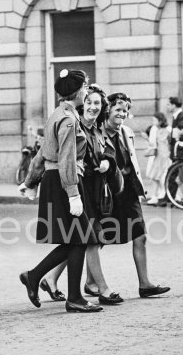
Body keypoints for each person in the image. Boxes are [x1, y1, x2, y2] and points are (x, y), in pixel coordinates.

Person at [20, 84, 124, 306]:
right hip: (68, 185)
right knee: (81, 238)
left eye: (96, 102)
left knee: (77, 239)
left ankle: (41, 278)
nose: (90, 102)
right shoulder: (69, 120)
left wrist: (31, 181)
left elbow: (45, 152)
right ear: (78, 95)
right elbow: (62, 157)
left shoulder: (67, 118)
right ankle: (73, 294)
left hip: (73, 186)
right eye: (87, 96)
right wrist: (72, 194)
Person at [87, 92, 170, 298]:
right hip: (106, 194)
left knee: (139, 236)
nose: (122, 114)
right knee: (96, 239)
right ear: (108, 111)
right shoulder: (97, 133)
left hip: (128, 192)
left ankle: (145, 284)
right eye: (118, 110)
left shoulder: (126, 132)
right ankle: (87, 281)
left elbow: (131, 164)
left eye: (125, 111)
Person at [165, 96, 183, 203]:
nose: (167, 106)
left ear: (174, 105)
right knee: (173, 175)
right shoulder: (176, 116)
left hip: (182, 153)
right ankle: (169, 198)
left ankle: (169, 198)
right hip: (177, 152)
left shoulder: (182, 117)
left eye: (169, 104)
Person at [145, 112, 171, 206]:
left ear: (160, 121)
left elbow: (153, 143)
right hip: (164, 155)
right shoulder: (168, 129)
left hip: (161, 155)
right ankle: (160, 195)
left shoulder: (157, 130)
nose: (153, 122)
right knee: (159, 176)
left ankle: (156, 196)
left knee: (157, 177)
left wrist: (147, 139)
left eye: (154, 120)